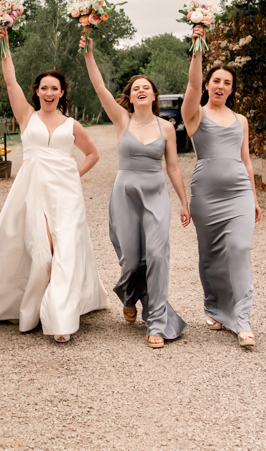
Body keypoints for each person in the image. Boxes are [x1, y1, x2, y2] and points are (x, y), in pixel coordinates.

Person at [0, 28, 109, 343]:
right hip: (33, 190)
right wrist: (5, 47)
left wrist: (73, 174)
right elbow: (11, 82)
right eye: (44, 88)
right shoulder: (26, 116)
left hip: (66, 195)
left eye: (55, 88)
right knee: (41, 251)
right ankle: (28, 306)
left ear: (62, 92)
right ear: (37, 91)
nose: (49, 93)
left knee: (65, 248)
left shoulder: (72, 125)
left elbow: (93, 154)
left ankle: (60, 318)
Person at [80, 35, 190, 348]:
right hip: (124, 194)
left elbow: (172, 168)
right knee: (130, 260)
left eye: (146, 87)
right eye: (135, 88)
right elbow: (100, 89)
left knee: (157, 255)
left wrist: (184, 202)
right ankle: (129, 295)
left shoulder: (166, 127)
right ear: (130, 96)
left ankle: (156, 322)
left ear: (154, 95)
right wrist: (89, 55)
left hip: (155, 193)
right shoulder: (121, 119)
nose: (141, 90)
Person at [181, 25, 262, 348]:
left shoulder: (240, 120)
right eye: (216, 81)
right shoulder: (195, 115)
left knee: (239, 249)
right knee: (211, 256)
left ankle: (242, 321)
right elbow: (191, 83)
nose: (221, 86)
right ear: (208, 85)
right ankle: (214, 306)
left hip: (239, 193)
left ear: (231, 89)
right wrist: (197, 49)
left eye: (227, 83)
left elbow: (247, 162)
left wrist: (254, 199)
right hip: (206, 196)